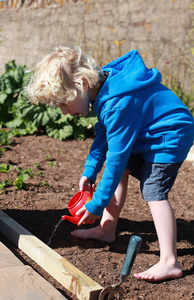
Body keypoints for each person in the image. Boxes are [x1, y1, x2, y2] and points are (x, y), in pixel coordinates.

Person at [25, 45, 194, 282]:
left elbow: (116, 159)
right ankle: (107, 229)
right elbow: (102, 136)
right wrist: (90, 171)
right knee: (123, 171)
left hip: (169, 134)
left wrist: (96, 204)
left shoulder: (118, 103)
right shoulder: (103, 91)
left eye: (64, 103)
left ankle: (169, 261)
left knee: (153, 191)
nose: (64, 112)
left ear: (82, 84)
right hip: (147, 131)